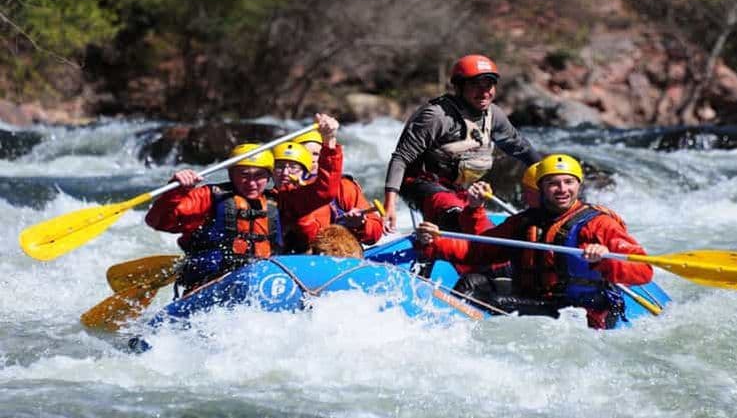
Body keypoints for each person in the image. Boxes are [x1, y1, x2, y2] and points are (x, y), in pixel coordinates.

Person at [415, 154, 653, 329]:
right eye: (553, 183)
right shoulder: (526, 221)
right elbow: (481, 250)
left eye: (568, 182)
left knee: (495, 300)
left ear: (578, 185)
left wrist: (604, 260)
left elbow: (643, 270)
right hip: (538, 299)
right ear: (541, 188)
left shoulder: (598, 224)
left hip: (580, 312)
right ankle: (450, 335)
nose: (562, 189)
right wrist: (435, 242)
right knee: (472, 282)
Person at [383, 54, 541, 233]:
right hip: (419, 183)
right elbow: (401, 158)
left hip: (454, 187)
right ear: (459, 87)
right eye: (475, 85)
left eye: (488, 85)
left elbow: (520, 147)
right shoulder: (437, 116)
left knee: (478, 224)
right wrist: (390, 205)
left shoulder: (494, 115)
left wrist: (547, 174)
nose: (484, 92)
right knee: (458, 222)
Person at [145, 143, 277, 293]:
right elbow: (159, 221)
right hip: (210, 286)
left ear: (269, 176)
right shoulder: (208, 197)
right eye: (244, 174)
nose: (252, 183)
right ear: (231, 174)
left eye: (259, 175)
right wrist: (176, 192)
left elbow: (306, 214)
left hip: (264, 283)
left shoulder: (278, 200)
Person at [272, 114, 381, 254]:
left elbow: (375, 234)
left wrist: (361, 224)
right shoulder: (280, 193)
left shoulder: (343, 187)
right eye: (305, 154)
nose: (312, 160)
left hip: (341, 256)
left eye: (317, 154)